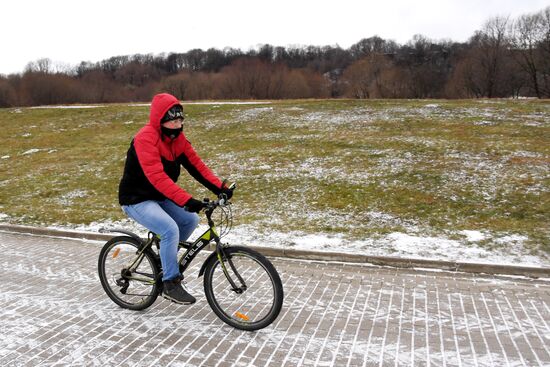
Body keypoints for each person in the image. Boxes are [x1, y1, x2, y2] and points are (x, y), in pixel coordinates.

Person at [118, 93, 233, 304]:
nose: (178, 123)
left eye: (180, 119)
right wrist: (187, 199)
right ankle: (170, 283)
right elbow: (158, 177)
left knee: (190, 220)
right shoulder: (145, 138)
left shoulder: (178, 140)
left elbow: (197, 166)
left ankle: (165, 254)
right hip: (136, 198)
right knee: (170, 229)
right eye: (173, 119)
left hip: (159, 196)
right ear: (160, 120)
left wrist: (220, 188)